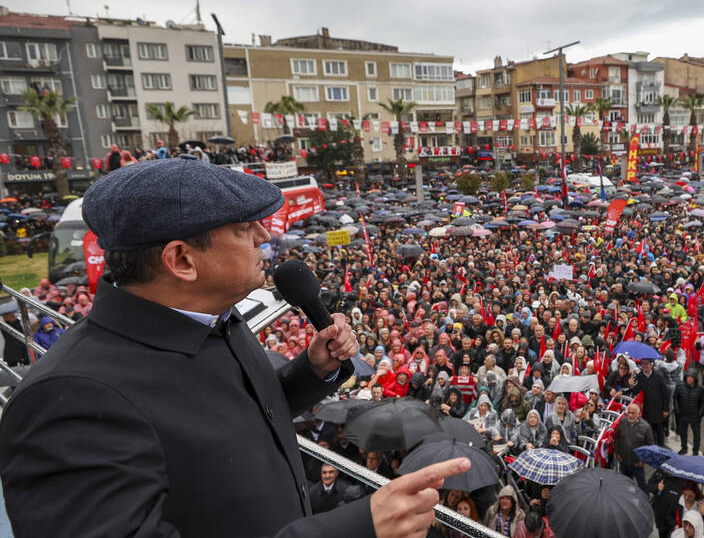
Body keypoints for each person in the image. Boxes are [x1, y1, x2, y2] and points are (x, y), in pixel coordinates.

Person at [0, 159, 469, 538]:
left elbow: (229, 415)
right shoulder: (69, 402)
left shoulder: (212, 316)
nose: (265, 237)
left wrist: (311, 370)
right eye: (244, 228)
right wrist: (356, 529)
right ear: (181, 260)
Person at [614, 402, 654, 488]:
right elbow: (617, 438)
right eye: (629, 412)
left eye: (633, 413)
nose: (630, 415)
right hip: (624, 461)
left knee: (642, 486)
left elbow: (650, 447)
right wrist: (617, 452)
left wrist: (643, 460)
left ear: (638, 414)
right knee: (626, 484)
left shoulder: (646, 427)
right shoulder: (622, 422)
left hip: (637, 464)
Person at [634, 357, 671, 447]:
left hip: (658, 409)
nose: (644, 366)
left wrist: (666, 409)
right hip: (646, 410)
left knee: (659, 432)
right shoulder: (638, 377)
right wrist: (632, 385)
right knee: (648, 433)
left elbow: (665, 393)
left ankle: (660, 449)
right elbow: (635, 392)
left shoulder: (658, 376)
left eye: (646, 364)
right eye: (642, 364)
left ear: (651, 364)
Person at [674, 367, 704, 454]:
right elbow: (675, 398)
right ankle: (684, 448)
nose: (689, 379)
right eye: (688, 377)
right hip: (683, 415)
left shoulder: (701, 389)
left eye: (692, 377)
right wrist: (677, 410)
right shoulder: (680, 386)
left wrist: (700, 414)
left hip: (695, 417)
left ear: (695, 378)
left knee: (696, 435)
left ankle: (695, 451)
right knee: (683, 433)